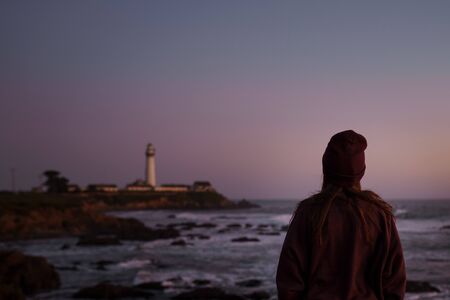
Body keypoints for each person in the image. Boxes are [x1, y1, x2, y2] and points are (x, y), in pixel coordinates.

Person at [276, 130, 406, 300]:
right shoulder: (381, 216)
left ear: (326, 169)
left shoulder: (307, 213)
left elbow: (289, 284)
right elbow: (394, 284)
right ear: (361, 172)